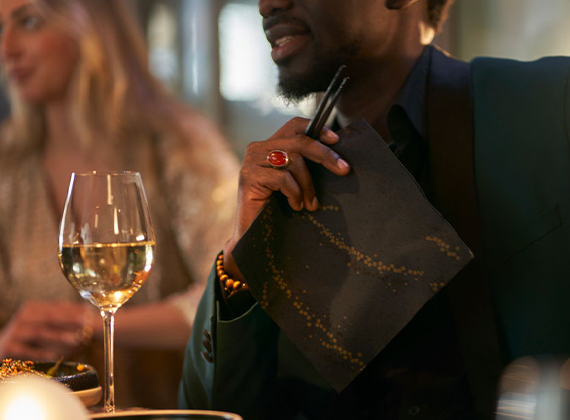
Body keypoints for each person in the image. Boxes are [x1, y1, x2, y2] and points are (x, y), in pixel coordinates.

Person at [179, 0, 570, 418]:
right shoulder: (290, 183)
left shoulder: (551, 104)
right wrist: (244, 256)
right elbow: (213, 410)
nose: (268, 4)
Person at [0, 0, 238, 409]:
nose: (7, 49)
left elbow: (231, 293)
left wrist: (93, 325)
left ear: (91, 27)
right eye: (1, 29)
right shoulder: (8, 165)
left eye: (29, 22)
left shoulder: (178, 147)